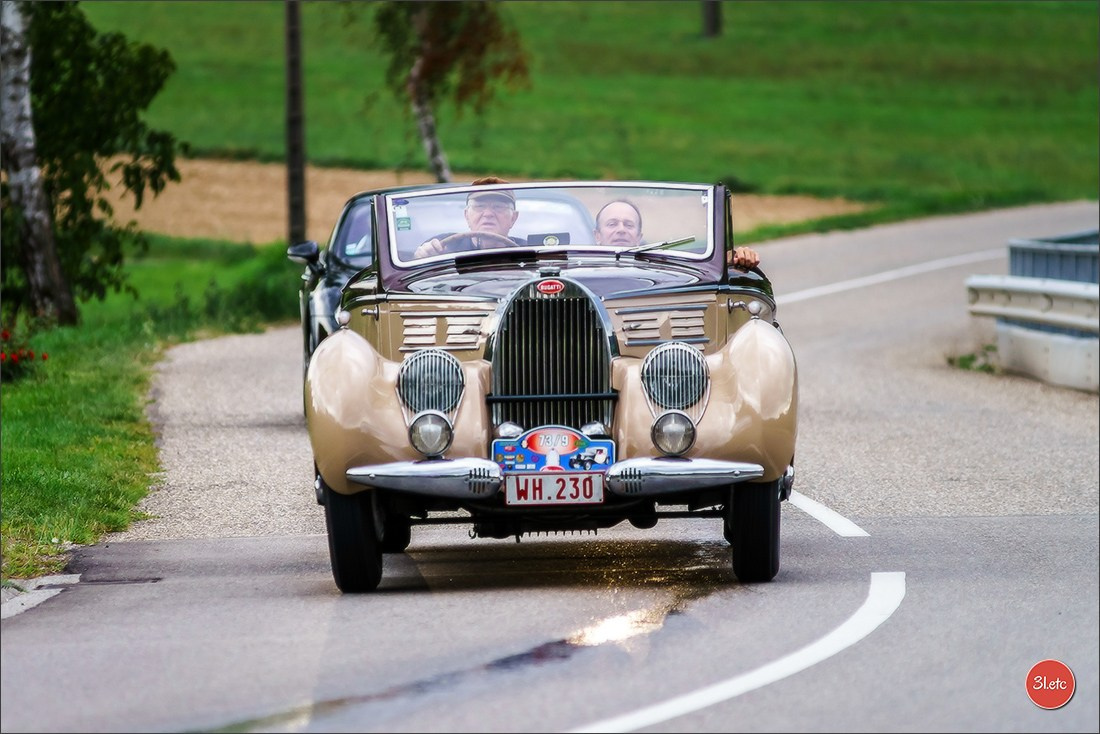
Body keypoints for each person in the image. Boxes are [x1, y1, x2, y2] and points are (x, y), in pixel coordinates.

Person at [593, 198, 761, 270]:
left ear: (639, 236)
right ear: (597, 236)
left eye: (628, 225)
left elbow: (704, 262)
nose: (621, 229)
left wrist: (738, 257)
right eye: (612, 224)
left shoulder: (660, 265)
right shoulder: (577, 269)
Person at [413, 176, 522, 258]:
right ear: (467, 216)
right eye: (479, 206)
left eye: (498, 207)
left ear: (513, 218)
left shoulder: (528, 251)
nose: (488, 214)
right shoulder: (443, 247)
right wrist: (422, 256)